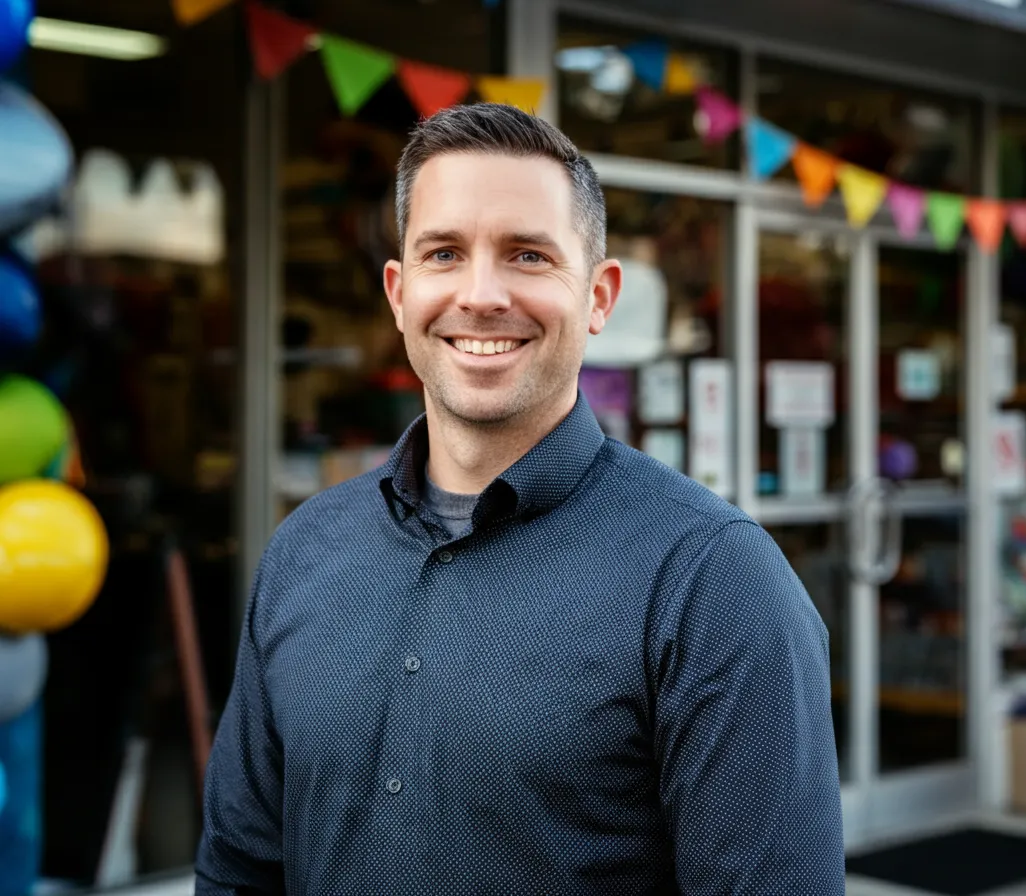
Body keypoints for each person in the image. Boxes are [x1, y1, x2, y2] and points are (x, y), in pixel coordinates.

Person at [195, 102, 844, 895]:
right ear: (398, 292)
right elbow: (238, 870)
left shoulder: (714, 582)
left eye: (528, 255)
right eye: (444, 253)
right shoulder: (304, 552)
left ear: (599, 295)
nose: (481, 295)